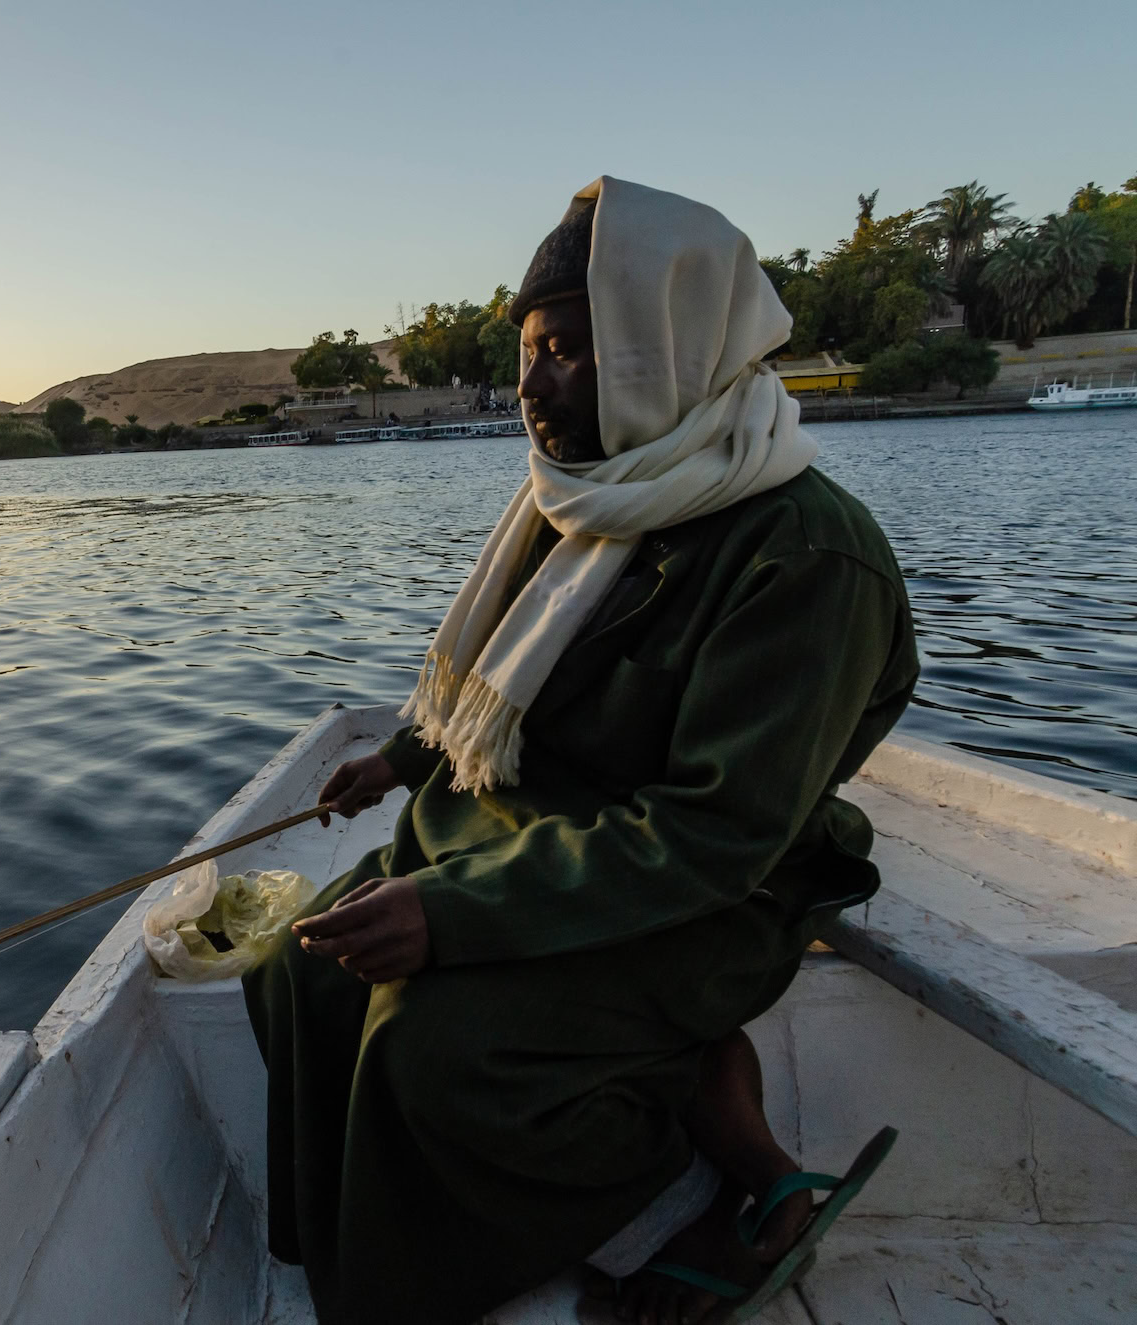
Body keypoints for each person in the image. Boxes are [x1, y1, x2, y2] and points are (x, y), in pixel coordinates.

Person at [242, 177, 919, 1324]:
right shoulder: (586, 498)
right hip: (530, 835)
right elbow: (506, 677)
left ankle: (681, 1211)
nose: (529, 384)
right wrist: (406, 757)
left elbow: (714, 832)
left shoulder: (803, 551)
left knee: (440, 1048)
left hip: (710, 887)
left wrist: (448, 916)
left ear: (664, 351)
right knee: (293, 975)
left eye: (565, 349)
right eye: (526, 351)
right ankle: (362, 1258)